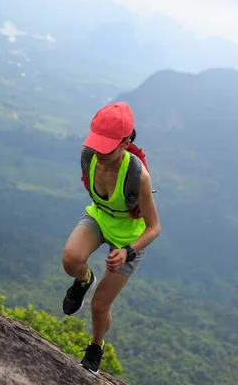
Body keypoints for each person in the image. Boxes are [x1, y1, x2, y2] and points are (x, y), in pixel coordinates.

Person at [61, 101, 161, 375]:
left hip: (129, 238)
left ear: (126, 142)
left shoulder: (138, 176)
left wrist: (128, 250)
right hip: (100, 218)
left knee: (100, 304)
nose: (99, 153)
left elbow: (154, 227)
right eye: (97, 144)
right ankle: (84, 280)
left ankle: (96, 346)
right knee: (71, 260)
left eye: (107, 147)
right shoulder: (88, 156)